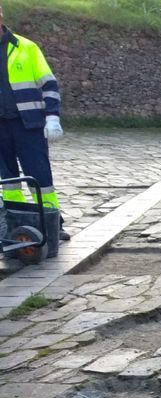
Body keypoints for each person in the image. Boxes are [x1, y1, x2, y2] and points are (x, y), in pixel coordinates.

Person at [0, 3, 66, 241]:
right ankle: (16, 227)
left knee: (40, 178)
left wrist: (52, 118)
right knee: (8, 182)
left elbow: (49, 85)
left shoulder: (26, 47)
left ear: (0, 16)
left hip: (28, 125)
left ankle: (52, 223)